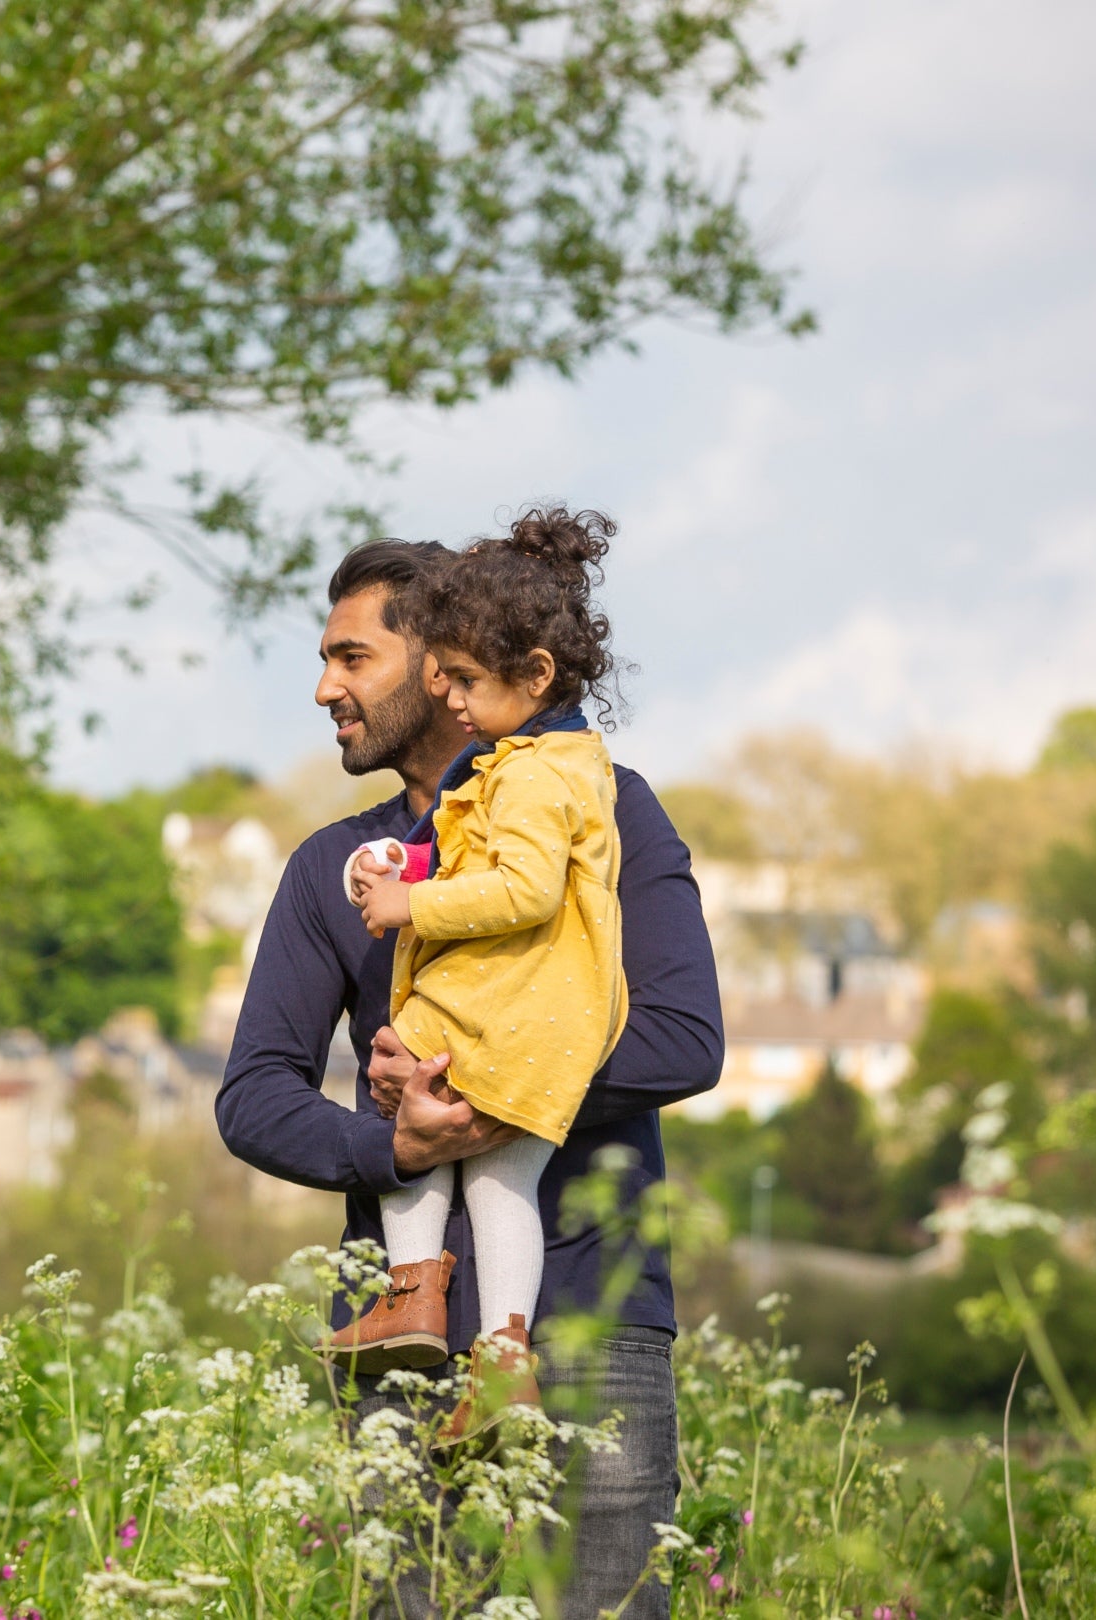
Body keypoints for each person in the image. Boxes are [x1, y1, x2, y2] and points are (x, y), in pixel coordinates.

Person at [212, 511, 722, 1619]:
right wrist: (392, 1142)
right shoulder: (334, 871)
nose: (325, 688)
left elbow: (685, 1036)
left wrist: (488, 1097)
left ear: (444, 672)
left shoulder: (609, 811)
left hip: (593, 1327)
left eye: (352, 657)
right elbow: (252, 1095)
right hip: (402, 1348)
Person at [336, 518, 630, 1447]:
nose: (450, 697)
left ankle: (412, 1291)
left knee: (397, 1105)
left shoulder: (533, 775)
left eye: (464, 679)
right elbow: (477, 859)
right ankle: (505, 1359)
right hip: (553, 1029)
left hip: (498, 1012)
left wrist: (407, 908)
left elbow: (521, 886)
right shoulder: (559, 768)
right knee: (506, 1190)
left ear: (535, 677)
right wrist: (405, 864)